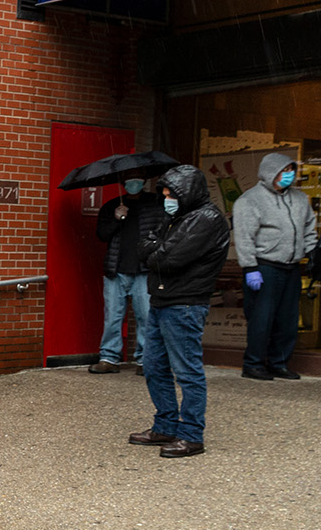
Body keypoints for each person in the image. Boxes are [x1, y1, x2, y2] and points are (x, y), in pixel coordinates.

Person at [130, 164, 231, 458]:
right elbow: (146, 247)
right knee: (154, 367)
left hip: (185, 304)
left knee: (187, 372)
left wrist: (154, 249)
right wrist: (154, 248)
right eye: (163, 193)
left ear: (186, 193)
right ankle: (165, 426)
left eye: (170, 194)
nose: (166, 199)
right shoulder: (177, 217)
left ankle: (191, 435)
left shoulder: (206, 220)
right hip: (163, 300)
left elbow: (166, 258)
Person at [231, 152, 317, 381]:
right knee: (261, 319)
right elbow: (244, 237)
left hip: (291, 267)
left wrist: (312, 251)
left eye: (291, 170)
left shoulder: (299, 199)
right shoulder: (250, 200)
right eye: (283, 171)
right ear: (270, 172)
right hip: (264, 267)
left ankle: (279, 363)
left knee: (288, 320)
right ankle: (253, 364)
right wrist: (250, 268)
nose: (288, 175)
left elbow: (309, 228)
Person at [90, 172, 165, 375]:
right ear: (123, 183)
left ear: (144, 180)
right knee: (113, 316)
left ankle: (145, 360)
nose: (134, 183)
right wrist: (117, 218)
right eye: (130, 180)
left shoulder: (155, 203)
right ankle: (109, 358)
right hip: (117, 269)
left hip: (144, 269)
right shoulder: (112, 205)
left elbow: (163, 231)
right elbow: (102, 234)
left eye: (138, 179)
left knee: (146, 316)